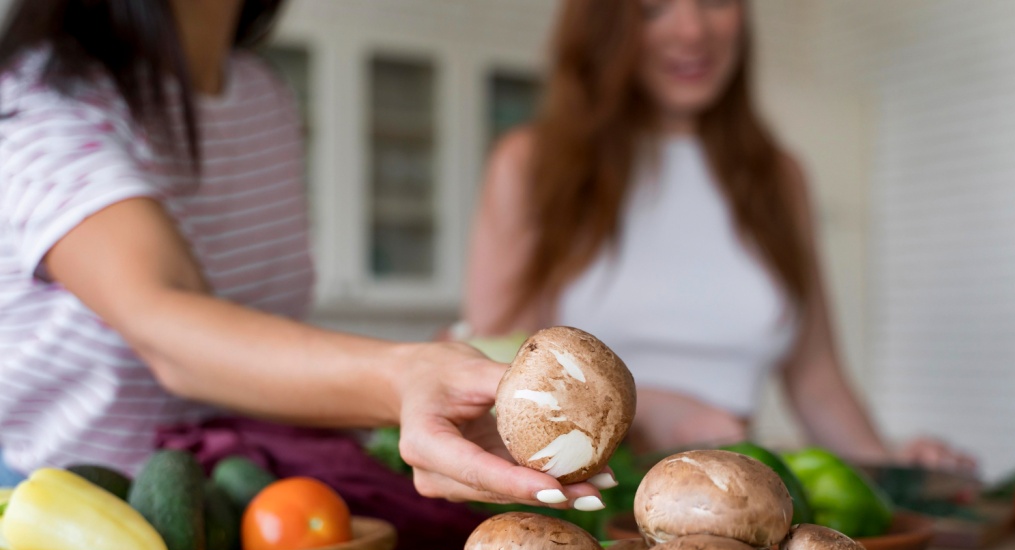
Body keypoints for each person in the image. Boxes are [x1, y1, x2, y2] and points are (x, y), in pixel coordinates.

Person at [0, 0, 610, 517]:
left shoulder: (261, 94)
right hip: (64, 514)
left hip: (238, 497)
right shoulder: (38, 106)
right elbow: (171, 328)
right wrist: (401, 377)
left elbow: (255, 338)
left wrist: (404, 393)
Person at [462, 0, 975, 472]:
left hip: (734, 495)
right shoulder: (531, 165)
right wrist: (644, 408)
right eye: (653, 8)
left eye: (715, 0)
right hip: (589, 499)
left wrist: (890, 470)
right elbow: (498, 369)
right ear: (604, 26)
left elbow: (817, 379)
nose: (692, 30)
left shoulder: (780, 177)